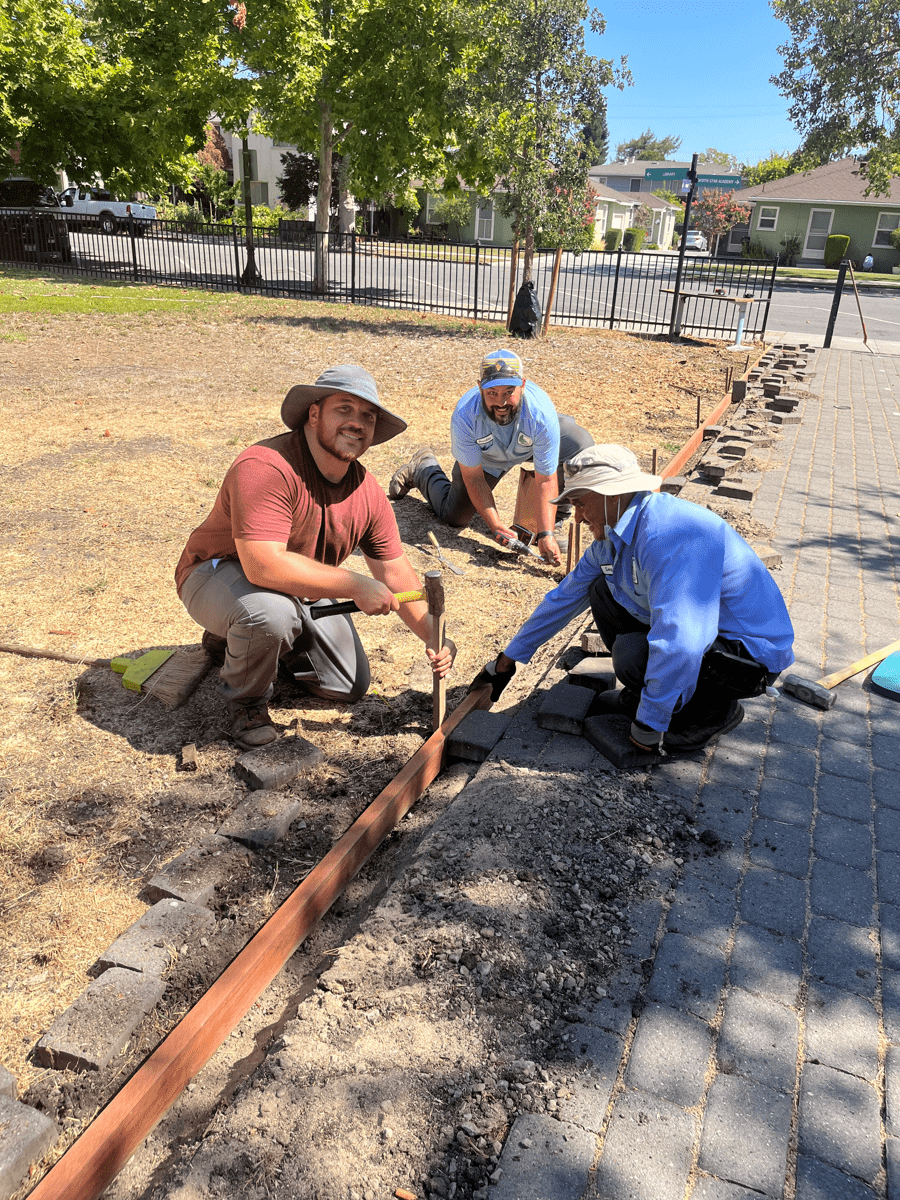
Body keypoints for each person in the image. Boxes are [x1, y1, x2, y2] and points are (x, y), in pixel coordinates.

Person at [175, 365, 455, 751]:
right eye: (344, 409)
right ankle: (247, 703)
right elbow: (262, 564)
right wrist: (356, 584)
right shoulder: (266, 466)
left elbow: (393, 569)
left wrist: (435, 636)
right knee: (268, 615)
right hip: (217, 572)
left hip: (294, 588)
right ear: (314, 414)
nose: (356, 423)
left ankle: (244, 644)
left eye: (368, 416)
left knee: (347, 685)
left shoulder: (367, 492)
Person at [472, 444, 795, 753]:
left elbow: (682, 638)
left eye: (582, 503)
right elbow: (562, 599)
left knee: (630, 654)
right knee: (599, 589)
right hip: (711, 641)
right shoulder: (613, 536)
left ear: (613, 495)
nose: (579, 517)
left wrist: (650, 723)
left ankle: (706, 713)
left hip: (749, 657)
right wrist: (506, 661)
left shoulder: (671, 536)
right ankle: (654, 693)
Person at [388, 349, 594, 567]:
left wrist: (546, 532)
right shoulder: (465, 415)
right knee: (454, 517)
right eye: (492, 393)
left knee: (579, 444)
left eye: (508, 392)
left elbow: (546, 479)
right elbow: (474, 478)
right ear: (480, 388)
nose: (501, 402)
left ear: (523, 385)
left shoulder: (541, 415)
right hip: (488, 458)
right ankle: (423, 467)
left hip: (530, 444)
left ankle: (553, 520)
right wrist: (495, 525)